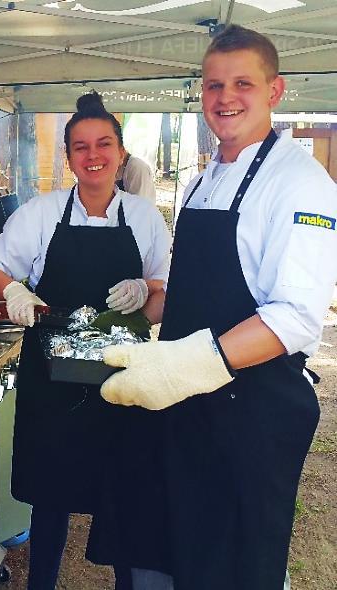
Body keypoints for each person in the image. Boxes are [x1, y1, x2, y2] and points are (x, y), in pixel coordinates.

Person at [87, 25, 337, 590]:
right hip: (185, 410)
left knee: (229, 567)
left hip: (251, 414)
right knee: (164, 551)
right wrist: (142, 303)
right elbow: (194, 292)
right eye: (213, 85)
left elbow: (295, 316)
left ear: (275, 91)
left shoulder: (301, 184)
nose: (225, 98)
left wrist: (183, 366)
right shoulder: (204, 182)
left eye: (242, 83)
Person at [0, 91, 171, 590]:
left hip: (123, 381)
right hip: (53, 383)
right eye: (80, 147)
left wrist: (147, 291)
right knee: (51, 494)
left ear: (121, 153)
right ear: (69, 158)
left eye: (104, 144)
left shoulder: (145, 218)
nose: (93, 155)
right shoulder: (41, 213)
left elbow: (169, 293)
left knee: (122, 494)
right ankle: (42, 582)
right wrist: (13, 289)